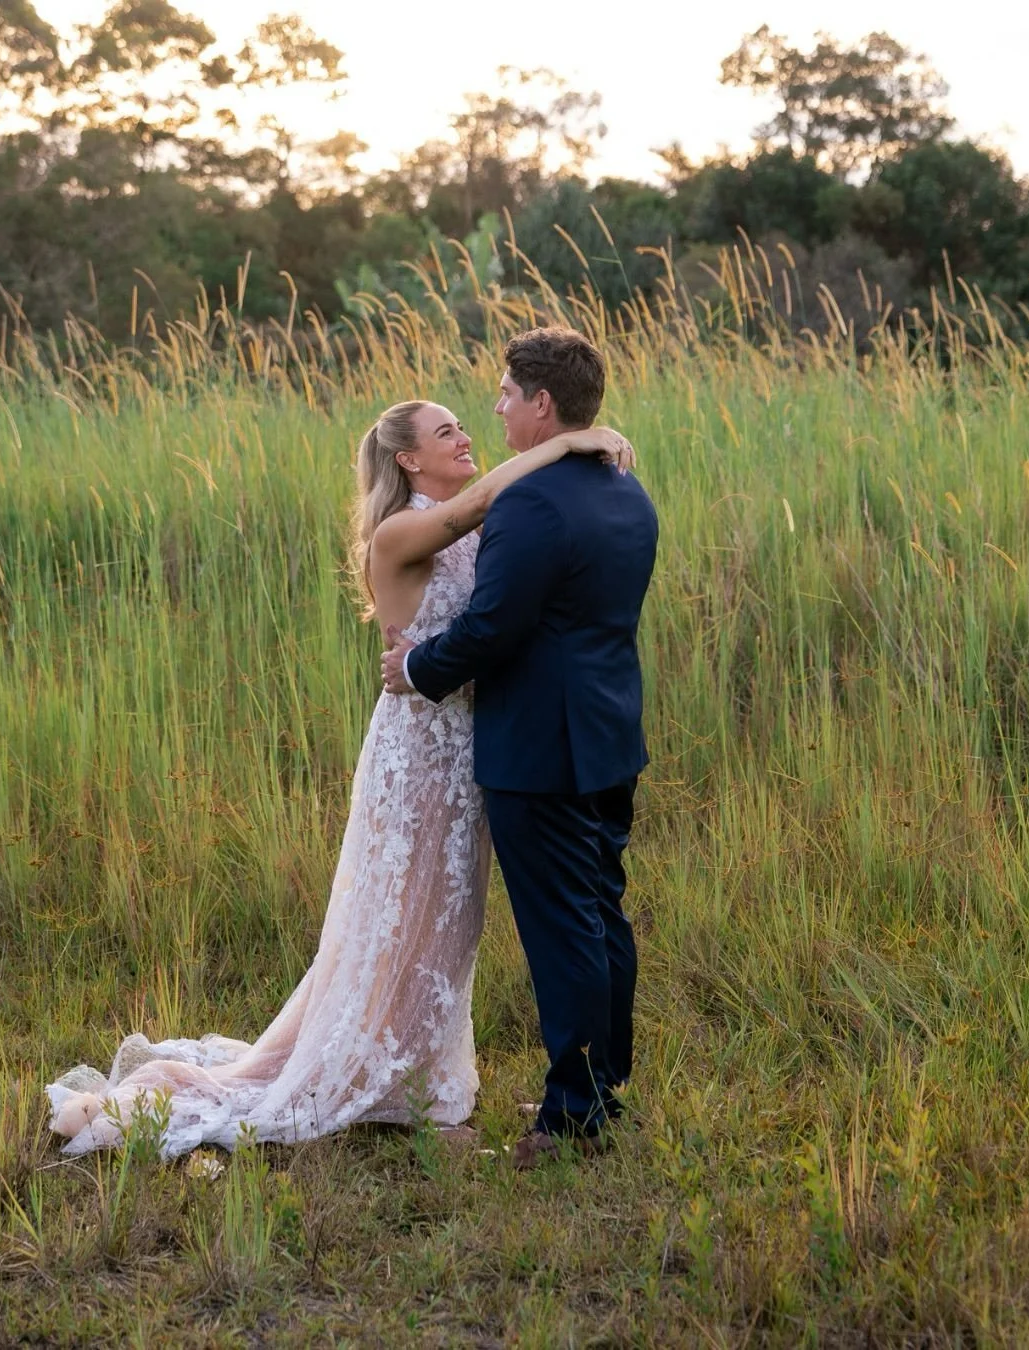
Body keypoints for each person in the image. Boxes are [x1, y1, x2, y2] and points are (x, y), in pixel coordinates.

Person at [46, 399, 633, 1158]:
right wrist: (581, 439)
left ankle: (416, 1077)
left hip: (472, 750)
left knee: (447, 925)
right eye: (446, 431)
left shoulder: (472, 521)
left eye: (465, 425)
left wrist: (584, 454)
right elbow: (494, 495)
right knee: (403, 919)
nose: (466, 437)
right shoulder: (403, 531)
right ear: (407, 462)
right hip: (419, 753)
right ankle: (382, 1086)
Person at [383, 327, 659, 1169]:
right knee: (600, 914)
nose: (494, 407)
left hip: (543, 747)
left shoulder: (532, 504)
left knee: (562, 930)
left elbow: (493, 628)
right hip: (608, 733)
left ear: (542, 404)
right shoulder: (625, 490)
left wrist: (417, 667)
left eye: (504, 393)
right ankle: (601, 1088)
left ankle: (574, 1117)